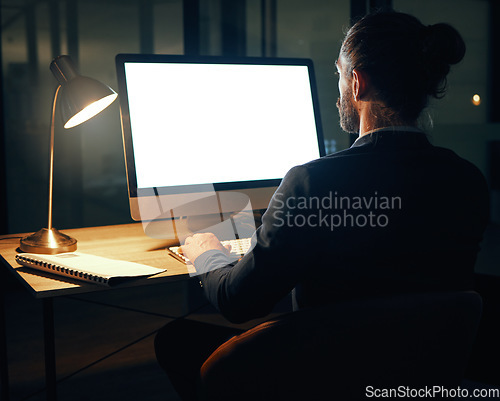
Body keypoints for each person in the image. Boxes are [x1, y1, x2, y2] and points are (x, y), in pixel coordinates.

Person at [155, 10, 490, 400]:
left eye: (339, 76)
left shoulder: (314, 182)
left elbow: (238, 301)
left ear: (358, 82)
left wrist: (207, 253)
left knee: (177, 339)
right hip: (414, 378)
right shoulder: (467, 180)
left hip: (325, 377)